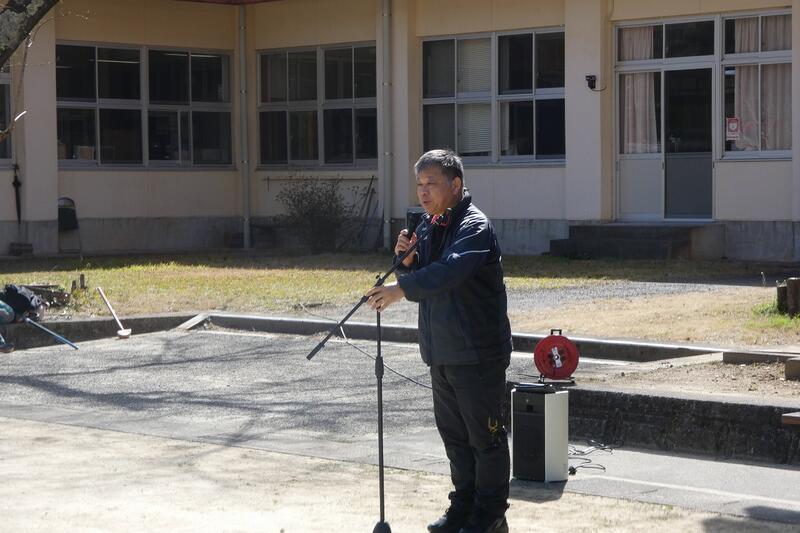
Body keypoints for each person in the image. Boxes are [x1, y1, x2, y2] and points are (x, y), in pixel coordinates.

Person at [366, 149, 512, 533]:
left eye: (431, 183)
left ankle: (490, 516)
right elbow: (429, 276)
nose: (423, 192)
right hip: (441, 351)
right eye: (419, 184)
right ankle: (462, 508)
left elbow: (450, 272)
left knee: (486, 439)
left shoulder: (474, 226)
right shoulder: (430, 226)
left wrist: (400, 289)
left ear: (456, 184)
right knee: (455, 438)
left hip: (477, 354)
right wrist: (408, 262)